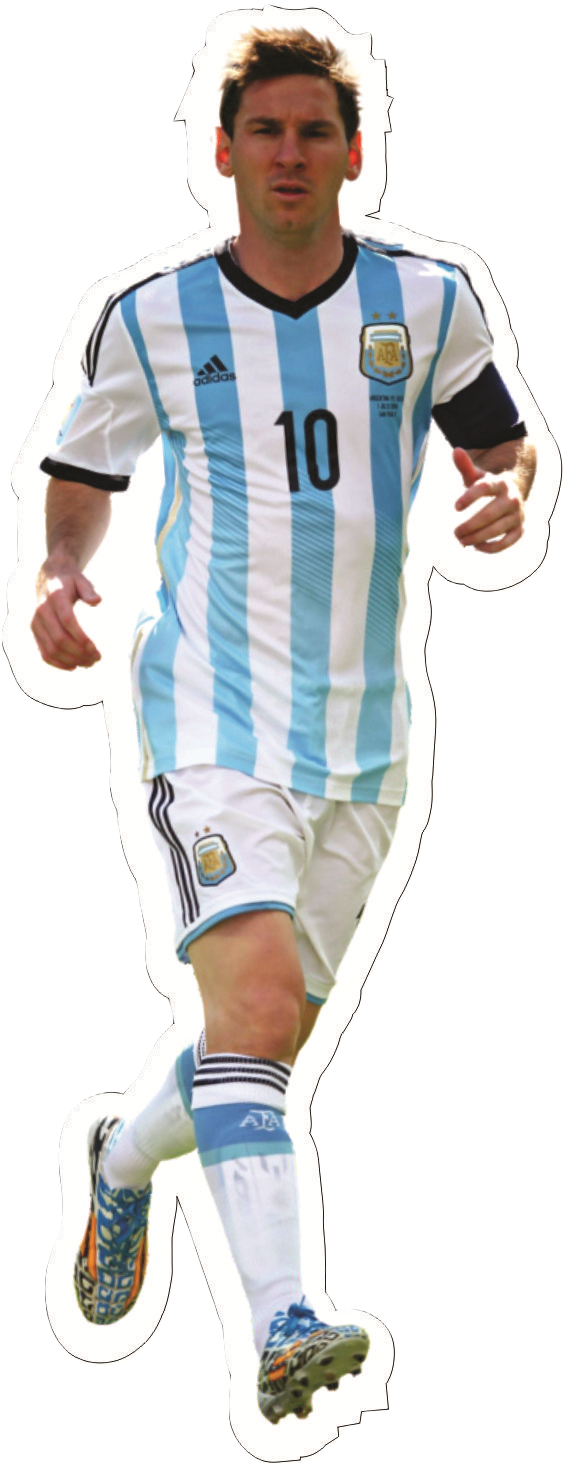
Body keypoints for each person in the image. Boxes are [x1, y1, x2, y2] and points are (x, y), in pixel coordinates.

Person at [31, 25, 537, 1423]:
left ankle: (120, 1157)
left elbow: (500, 440)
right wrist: (61, 570)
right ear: (224, 152)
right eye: (268, 131)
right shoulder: (151, 313)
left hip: (367, 740)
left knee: (251, 1047)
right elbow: (84, 473)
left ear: (356, 152)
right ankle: (280, 1323)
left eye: (318, 131)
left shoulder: (430, 299)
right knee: (251, 1013)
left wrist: (506, 487)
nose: (292, 155)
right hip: (211, 712)